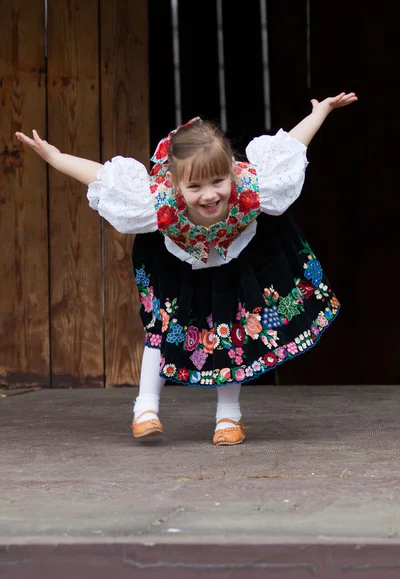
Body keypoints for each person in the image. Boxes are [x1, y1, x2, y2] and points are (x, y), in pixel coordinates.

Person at [15, 91, 358, 446]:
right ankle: (145, 409)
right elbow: (101, 176)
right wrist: (56, 158)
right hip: (178, 262)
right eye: (194, 186)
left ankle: (229, 418)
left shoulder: (253, 184)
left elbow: (292, 145)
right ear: (175, 183)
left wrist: (321, 112)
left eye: (217, 182)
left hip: (233, 259)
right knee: (163, 327)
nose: (209, 195)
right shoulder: (156, 199)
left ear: (230, 171)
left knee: (231, 330)